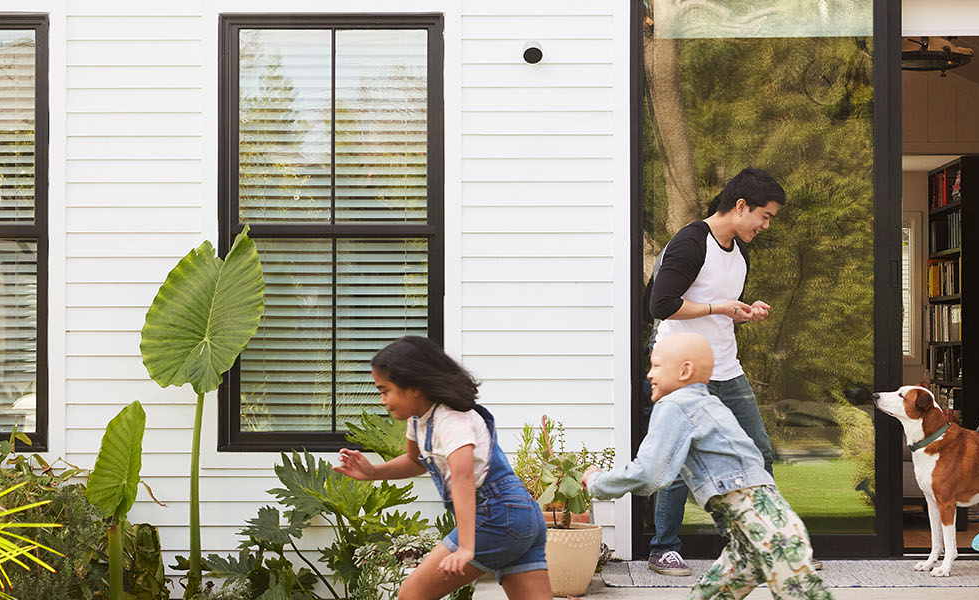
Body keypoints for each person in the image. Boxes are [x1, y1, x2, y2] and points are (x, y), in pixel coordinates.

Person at [584, 333, 831, 600]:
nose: (649, 375)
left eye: (656, 366)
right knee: (711, 595)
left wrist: (599, 481)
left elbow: (648, 474)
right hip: (757, 529)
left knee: (804, 595)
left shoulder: (674, 405)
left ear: (685, 370)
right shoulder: (712, 406)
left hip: (767, 528)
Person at [640, 167, 787, 576]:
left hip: (725, 364)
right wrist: (720, 308)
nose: (765, 225)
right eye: (765, 215)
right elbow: (662, 304)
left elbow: (718, 309)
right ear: (741, 207)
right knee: (677, 455)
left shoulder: (739, 253)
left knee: (757, 451)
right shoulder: (691, 243)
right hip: (680, 365)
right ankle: (663, 548)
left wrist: (742, 312)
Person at [334, 336, 551, 600]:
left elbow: (463, 477)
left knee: (411, 595)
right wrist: (372, 473)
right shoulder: (420, 420)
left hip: (496, 515)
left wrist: (466, 548)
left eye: (385, 390)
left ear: (414, 386)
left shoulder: (451, 420)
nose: (382, 399)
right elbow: (415, 461)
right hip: (521, 515)